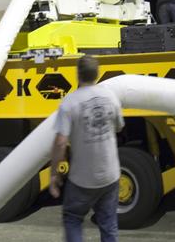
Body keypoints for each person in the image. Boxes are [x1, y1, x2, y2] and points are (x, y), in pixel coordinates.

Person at [49, 55, 125, 242]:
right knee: (109, 225)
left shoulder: (70, 102)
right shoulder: (111, 97)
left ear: (78, 74)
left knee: (73, 219)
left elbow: (60, 143)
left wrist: (54, 175)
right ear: (97, 74)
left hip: (83, 179)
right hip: (110, 175)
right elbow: (119, 127)